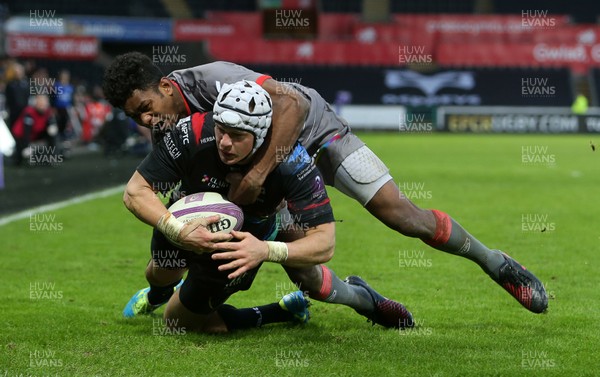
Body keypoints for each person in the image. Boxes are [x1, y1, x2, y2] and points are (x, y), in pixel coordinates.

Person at [103, 52, 548, 314]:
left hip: (316, 133)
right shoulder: (169, 130)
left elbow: (292, 104)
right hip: (263, 172)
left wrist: (258, 175)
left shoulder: (213, 80)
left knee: (401, 214)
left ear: (164, 86)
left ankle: (494, 262)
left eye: (146, 106)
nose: (146, 119)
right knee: (300, 266)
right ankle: (366, 302)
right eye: (134, 116)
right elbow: (154, 196)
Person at [121, 80, 413, 333]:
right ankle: (158, 292)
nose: (224, 142)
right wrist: (177, 230)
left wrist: (264, 250)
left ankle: (313, 306)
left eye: (237, 136)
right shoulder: (192, 133)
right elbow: (135, 192)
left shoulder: (292, 161)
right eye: (221, 130)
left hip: (248, 233)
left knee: (176, 324)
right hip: (186, 215)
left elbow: (325, 243)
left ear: (260, 136)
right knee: (159, 272)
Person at [10, 94, 58, 166]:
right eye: (40, 103)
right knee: (19, 157)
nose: (43, 105)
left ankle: (52, 156)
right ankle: (17, 159)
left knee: (52, 133)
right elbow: (26, 132)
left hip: (36, 132)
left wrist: (52, 126)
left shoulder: (48, 111)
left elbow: (51, 122)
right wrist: (26, 146)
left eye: (44, 103)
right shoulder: (29, 112)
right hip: (21, 135)